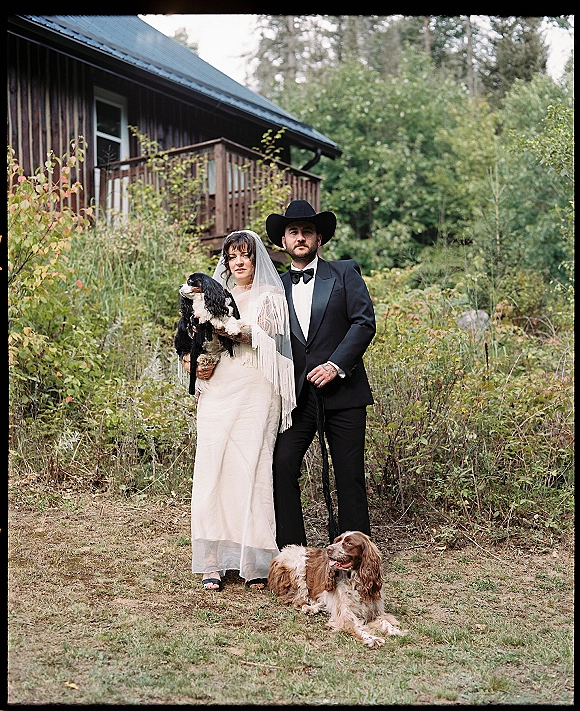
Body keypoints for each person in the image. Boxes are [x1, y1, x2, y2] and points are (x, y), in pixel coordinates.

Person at [176, 230, 296, 591]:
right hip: (218, 388)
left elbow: (270, 338)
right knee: (212, 467)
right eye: (232, 257)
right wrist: (192, 364)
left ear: (257, 259)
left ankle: (254, 560)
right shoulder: (210, 298)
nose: (239, 262)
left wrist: (232, 329)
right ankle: (211, 560)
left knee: (251, 469)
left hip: (256, 388)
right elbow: (189, 342)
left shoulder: (271, 296)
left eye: (245, 255)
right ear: (226, 262)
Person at [266, 200, 376, 549]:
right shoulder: (273, 288)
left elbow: (364, 323)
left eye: (307, 232)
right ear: (283, 241)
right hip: (296, 397)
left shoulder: (344, 273)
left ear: (319, 238)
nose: (300, 237)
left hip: (343, 392)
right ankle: (293, 554)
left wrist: (336, 365)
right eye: (293, 232)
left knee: (349, 476)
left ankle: (355, 556)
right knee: (282, 465)